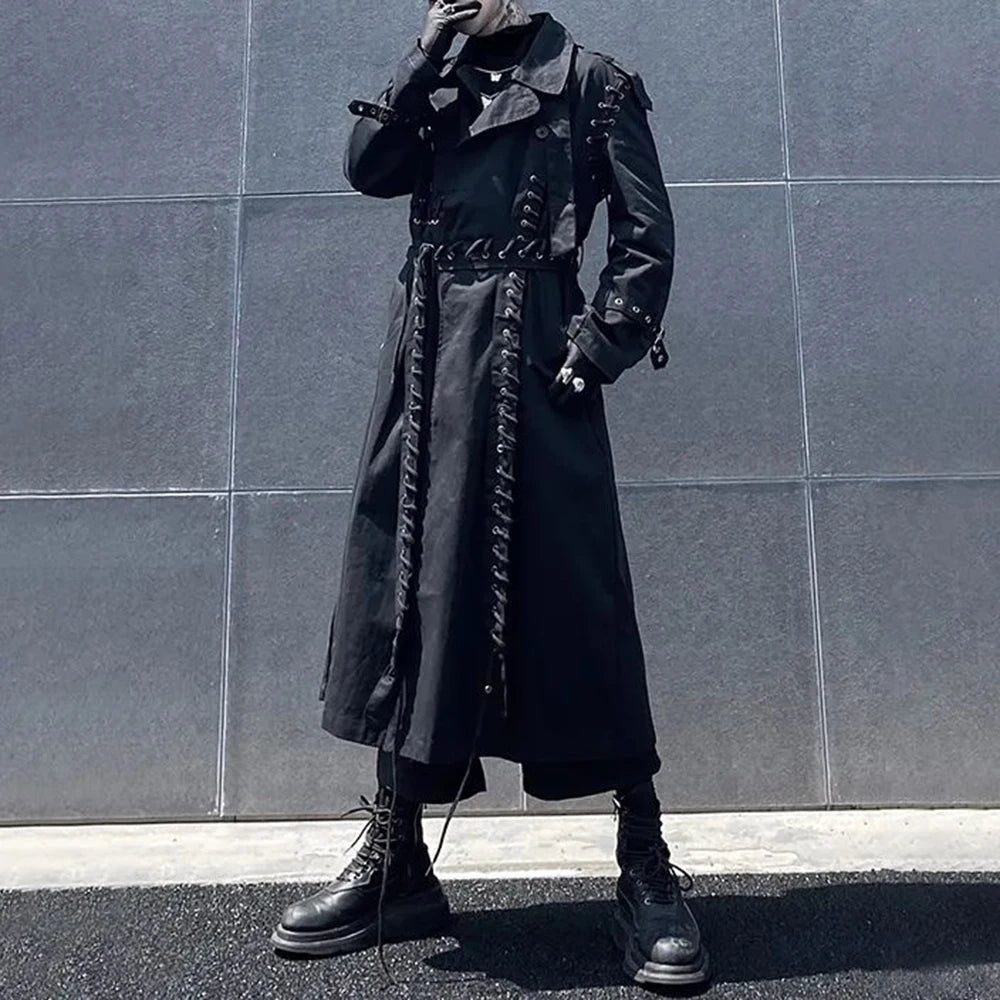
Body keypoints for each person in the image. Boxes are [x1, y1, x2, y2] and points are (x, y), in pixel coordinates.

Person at [271, 0, 709, 989]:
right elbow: (368, 168)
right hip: (427, 361)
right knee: (407, 593)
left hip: (536, 363)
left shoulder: (591, 81)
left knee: (579, 595)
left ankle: (644, 858)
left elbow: (645, 233)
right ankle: (397, 857)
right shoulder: (437, 76)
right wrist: (424, 53)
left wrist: (600, 343)